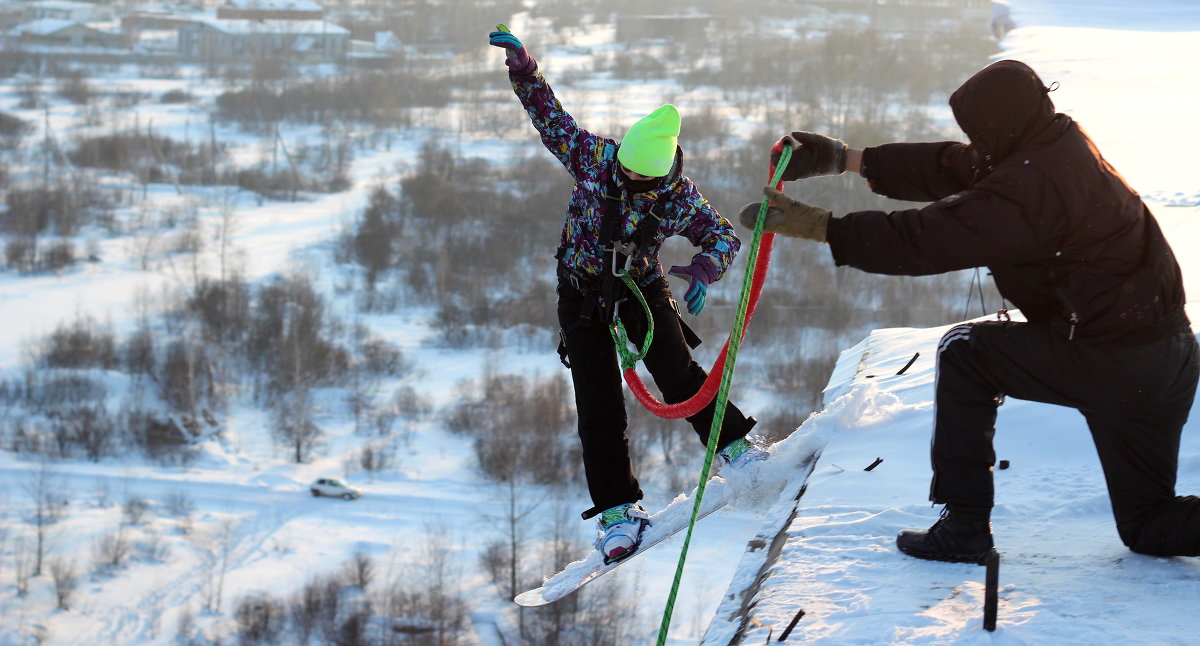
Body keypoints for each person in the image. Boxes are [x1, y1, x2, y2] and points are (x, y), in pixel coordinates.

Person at [740, 59, 1200, 563]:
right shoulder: (1056, 142)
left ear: (1002, 125)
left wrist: (823, 227)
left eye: (979, 130)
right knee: (1149, 524)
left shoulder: (1029, 188)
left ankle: (964, 526)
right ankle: (967, 525)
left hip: (1112, 357)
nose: (974, 141)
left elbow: (926, 241)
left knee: (966, 354)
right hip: (1167, 356)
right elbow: (957, 166)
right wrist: (847, 159)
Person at [489, 27, 766, 563]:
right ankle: (618, 511)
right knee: (597, 403)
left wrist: (705, 268)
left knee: (679, 374)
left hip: (640, 287)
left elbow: (723, 234)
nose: (632, 178)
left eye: (644, 176)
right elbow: (552, 121)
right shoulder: (596, 160)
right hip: (581, 292)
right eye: (629, 169)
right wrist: (525, 71)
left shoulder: (675, 195)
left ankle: (733, 447)